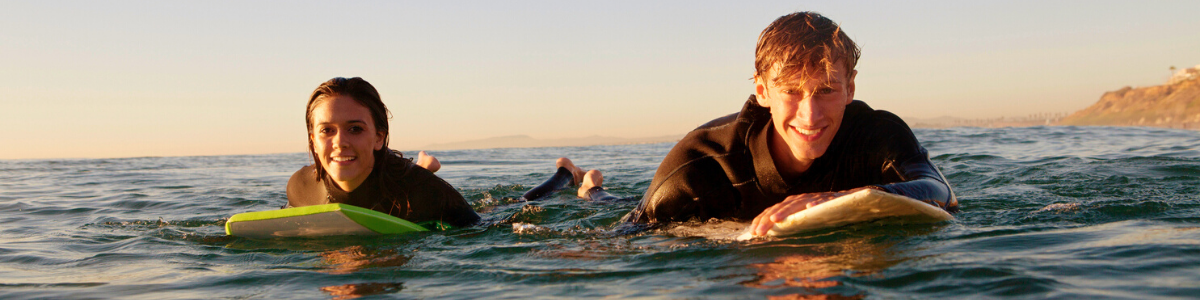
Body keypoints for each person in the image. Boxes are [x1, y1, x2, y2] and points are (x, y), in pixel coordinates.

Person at [621, 12, 958, 236]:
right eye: (791, 92)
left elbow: (941, 192)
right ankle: (587, 185)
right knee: (608, 200)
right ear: (762, 91)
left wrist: (845, 199)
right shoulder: (698, 168)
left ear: (851, 88)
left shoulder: (877, 136)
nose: (810, 115)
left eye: (826, 90)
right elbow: (621, 244)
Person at [286, 77, 480, 228]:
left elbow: (481, 229)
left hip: (403, 182)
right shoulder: (301, 188)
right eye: (327, 130)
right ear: (313, 140)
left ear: (379, 138)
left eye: (355, 129)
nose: (339, 142)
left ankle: (424, 167)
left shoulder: (423, 192)